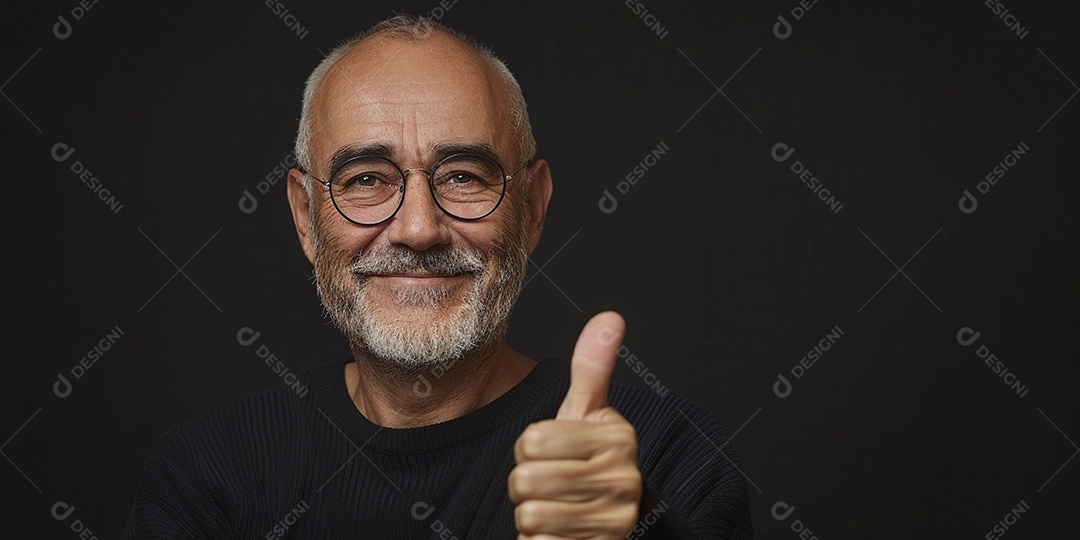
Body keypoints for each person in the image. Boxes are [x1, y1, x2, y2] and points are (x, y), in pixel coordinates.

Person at [123, 15, 752, 539]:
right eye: (366, 180)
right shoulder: (207, 476)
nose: (419, 229)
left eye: (463, 177)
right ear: (306, 219)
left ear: (531, 208)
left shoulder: (665, 456)